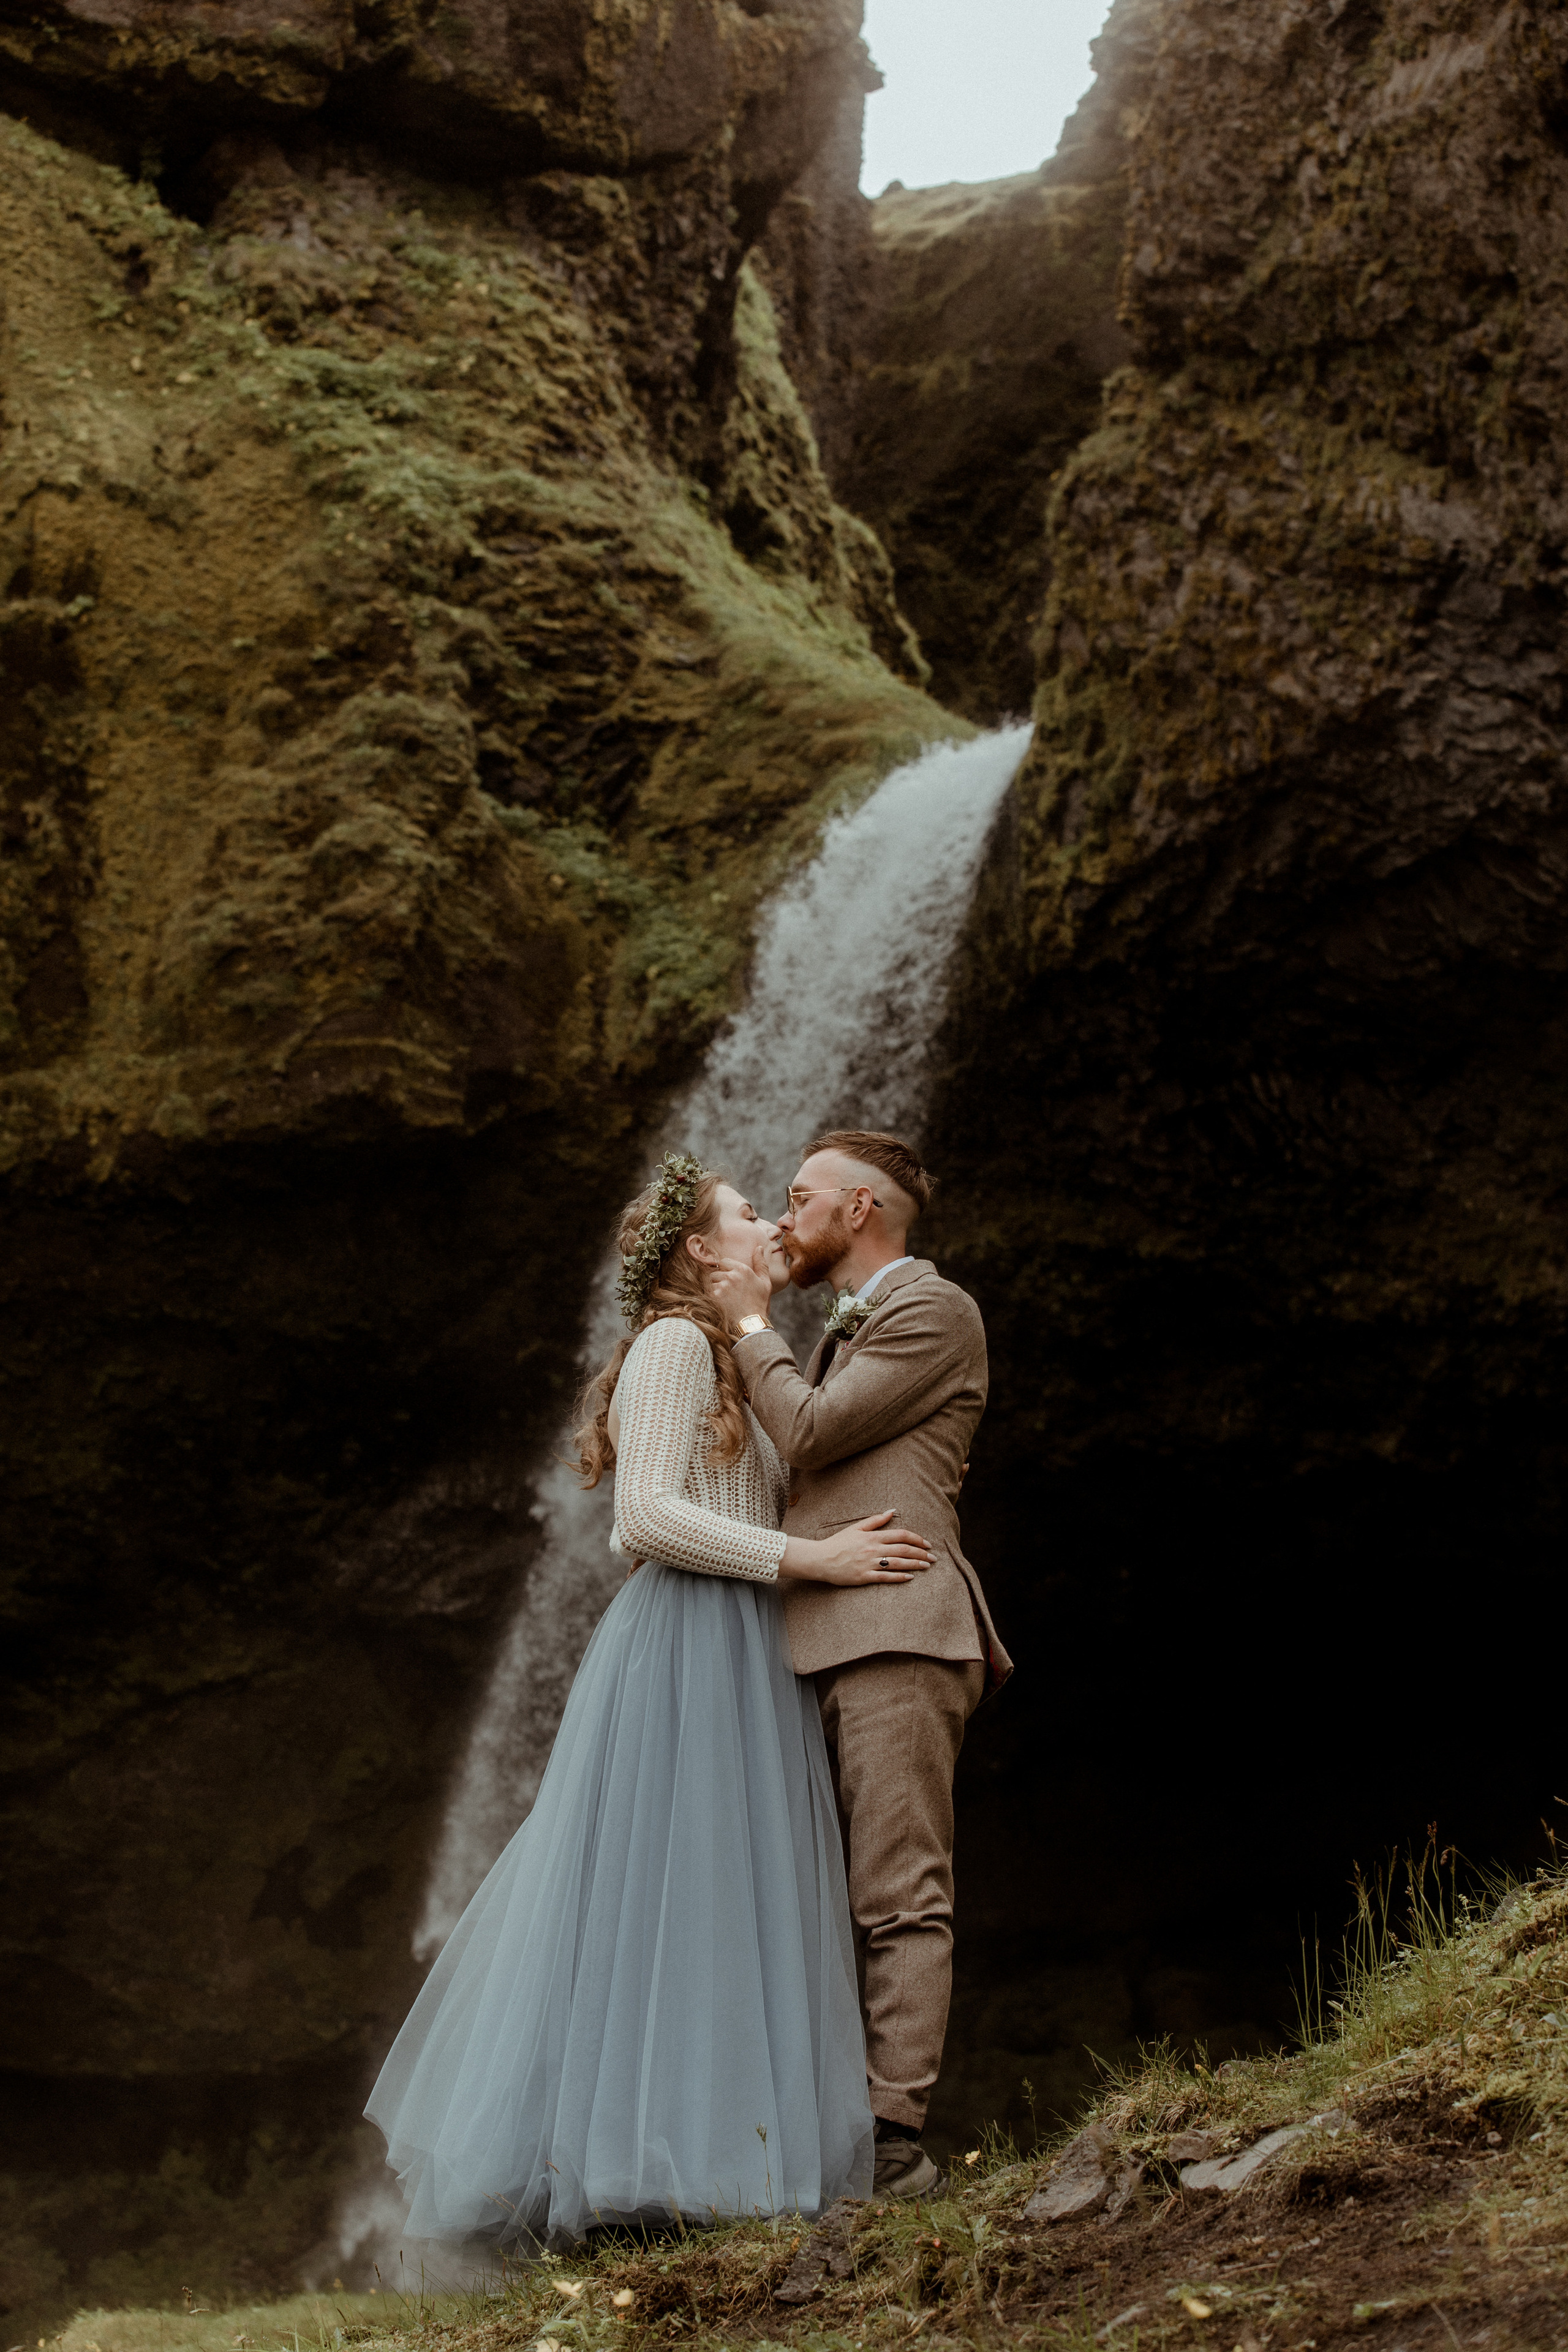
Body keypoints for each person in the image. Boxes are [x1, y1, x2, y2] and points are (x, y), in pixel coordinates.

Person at [364, 1152, 935, 2248]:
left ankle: (723, 2161)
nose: (771, 1220)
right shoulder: (676, 1345)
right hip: (688, 1645)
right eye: (744, 1213)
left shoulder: (741, 1358)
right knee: (669, 1898)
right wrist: (807, 1562)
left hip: (745, 1646)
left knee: (725, 1902)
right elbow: (647, 1520)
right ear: (699, 1251)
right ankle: (632, 2169)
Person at [711, 1128, 1011, 2203]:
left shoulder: (935, 1307)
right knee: (806, 1897)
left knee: (898, 1894)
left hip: (896, 1626)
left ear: (861, 1212)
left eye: (799, 1199)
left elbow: (816, 1433)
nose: (783, 1220)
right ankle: (805, 2129)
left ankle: (890, 2145)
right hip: (812, 1637)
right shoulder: (848, 1330)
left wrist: (747, 1324)